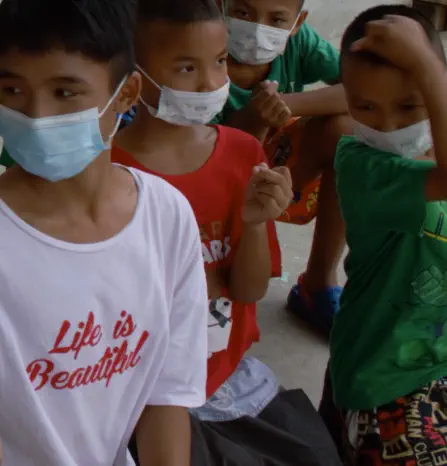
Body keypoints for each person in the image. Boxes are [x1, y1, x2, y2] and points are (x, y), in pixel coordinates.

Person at [113, 0, 343, 464]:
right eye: (185, 67)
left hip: (224, 373)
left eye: (219, 62)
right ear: (133, 81)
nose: (210, 84)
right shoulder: (108, 170)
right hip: (140, 388)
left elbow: (249, 289)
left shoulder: (242, 153)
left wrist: (255, 224)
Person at [0, 0, 209, 465]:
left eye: (65, 92)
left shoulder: (165, 216)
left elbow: (166, 395)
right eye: (12, 89)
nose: (35, 115)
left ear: (127, 93)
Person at [319, 5, 447, 464]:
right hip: (383, 375)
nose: (387, 126)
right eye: (365, 107)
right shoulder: (362, 165)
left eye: (409, 106)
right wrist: (427, 67)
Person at [215, 0, 352, 337]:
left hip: (277, 169)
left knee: (345, 133)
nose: (258, 28)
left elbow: (363, 89)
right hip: (209, 170)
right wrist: (255, 116)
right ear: (219, 5)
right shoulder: (200, 42)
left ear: (297, 23)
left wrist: (284, 105)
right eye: (243, 13)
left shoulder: (299, 43)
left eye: (277, 19)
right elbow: (198, 148)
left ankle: (317, 285)